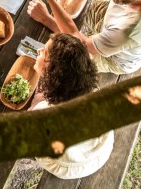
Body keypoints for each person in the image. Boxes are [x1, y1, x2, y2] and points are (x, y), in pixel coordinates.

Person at [31, 33, 114, 179]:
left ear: (50, 72)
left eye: (43, 53)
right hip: (100, 149)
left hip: (69, 166)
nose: (38, 52)